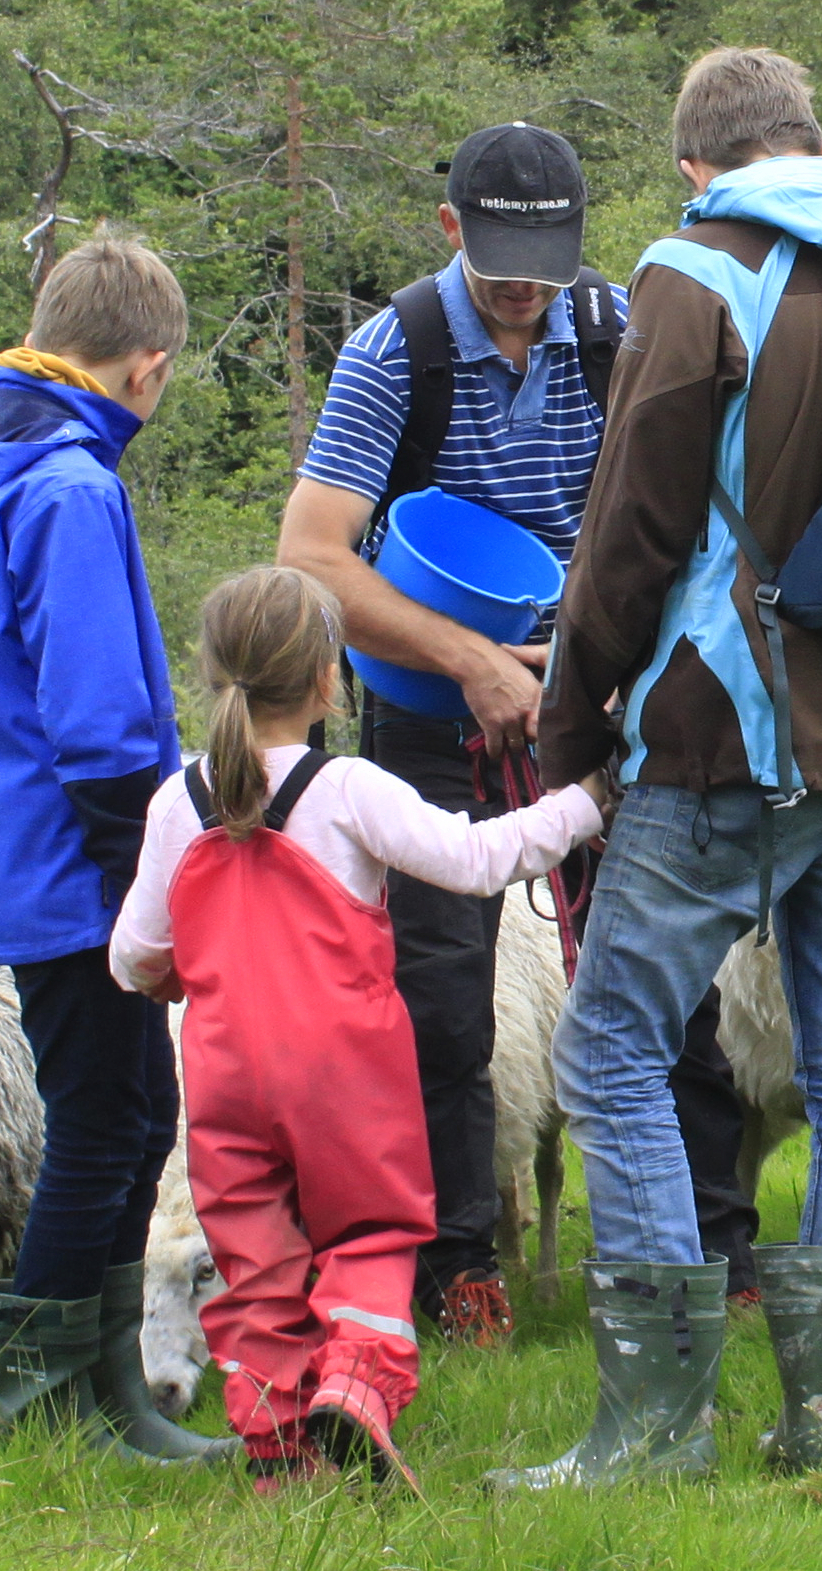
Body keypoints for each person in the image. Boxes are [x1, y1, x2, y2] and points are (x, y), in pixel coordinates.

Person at [497, 48, 822, 1492]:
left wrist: (569, 726)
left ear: (698, 165)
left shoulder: (698, 273)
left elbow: (631, 524)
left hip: (725, 737)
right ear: (812, 138)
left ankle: (654, 1426)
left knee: (610, 1042)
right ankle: (820, 1417)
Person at [278, 120, 760, 1348]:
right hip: (436, 723)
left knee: (669, 972)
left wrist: (600, 664)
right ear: (451, 231)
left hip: (599, 703)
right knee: (442, 996)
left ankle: (714, 1249)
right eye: (497, 261)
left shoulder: (615, 331)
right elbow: (313, 557)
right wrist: (476, 663)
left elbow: (695, 516)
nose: (520, 289)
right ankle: (458, 1268)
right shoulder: (397, 352)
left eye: (541, 264)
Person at [111, 566, 603, 1487]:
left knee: (255, 1266)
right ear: (330, 680)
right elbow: (476, 857)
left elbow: (134, 955)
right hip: (347, 1077)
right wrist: (581, 806)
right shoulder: (349, 789)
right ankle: (356, 1387)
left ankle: (279, 1455)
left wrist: (179, 970)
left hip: (223, 1083)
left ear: (214, 676)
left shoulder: (177, 803)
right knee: (370, 1237)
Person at [0, 235, 230, 1461]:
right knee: (105, 1129)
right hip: (80, 871)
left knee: (138, 1120)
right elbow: (99, 722)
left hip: (24, 854)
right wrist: (147, 889)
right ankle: (43, 1410)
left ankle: (110, 1398)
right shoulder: (69, 489)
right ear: (146, 368)